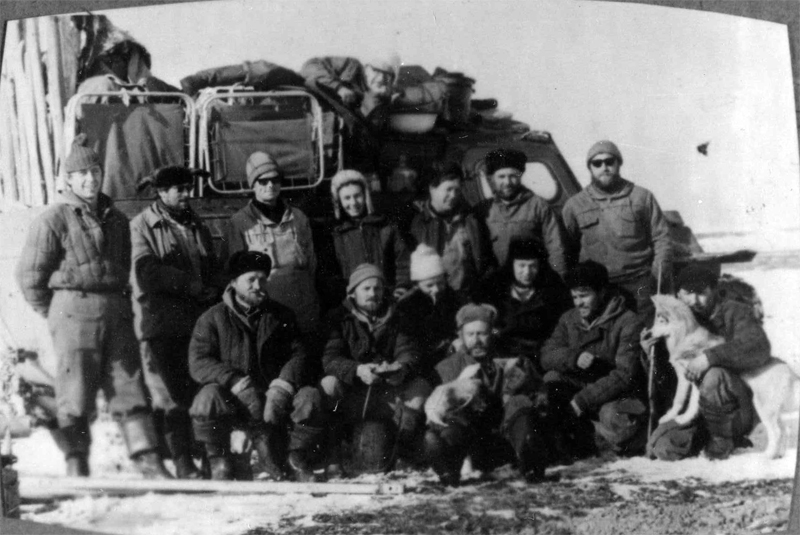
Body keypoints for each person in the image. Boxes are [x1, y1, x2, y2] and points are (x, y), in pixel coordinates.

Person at [15, 134, 171, 478]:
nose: (90, 179)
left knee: (128, 382)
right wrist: (58, 312)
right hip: (74, 311)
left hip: (115, 310)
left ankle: (147, 458)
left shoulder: (117, 220)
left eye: (95, 171)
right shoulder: (53, 220)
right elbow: (30, 277)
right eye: (82, 174)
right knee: (75, 388)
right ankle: (76, 460)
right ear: (69, 180)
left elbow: (122, 268)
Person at [187, 251, 325, 481]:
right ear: (233, 283)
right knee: (207, 398)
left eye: (262, 279)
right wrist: (232, 380)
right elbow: (199, 361)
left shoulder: (281, 315)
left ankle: (295, 458)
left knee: (310, 397)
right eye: (250, 279)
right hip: (234, 399)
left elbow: (299, 354)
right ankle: (219, 460)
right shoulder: (212, 318)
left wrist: (283, 385)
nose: (257, 285)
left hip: (273, 400)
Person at [130, 166, 223, 479]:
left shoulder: (196, 225)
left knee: (200, 388)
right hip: (164, 324)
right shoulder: (142, 226)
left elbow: (209, 266)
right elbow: (147, 273)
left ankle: (209, 456)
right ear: (161, 192)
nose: (186, 194)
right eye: (179, 189)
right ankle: (183, 460)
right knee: (173, 395)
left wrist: (213, 288)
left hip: (197, 322)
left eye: (188, 188)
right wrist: (192, 286)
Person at [644, 265, 771, 461]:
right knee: (664, 448)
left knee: (714, 375)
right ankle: (701, 438)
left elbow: (757, 346)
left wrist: (709, 357)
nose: (694, 300)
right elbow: (665, 379)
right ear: (678, 294)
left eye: (701, 293)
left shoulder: (735, 312)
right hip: (694, 411)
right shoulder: (675, 320)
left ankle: (724, 440)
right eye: (688, 293)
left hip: (732, 406)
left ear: (714, 290)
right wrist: (648, 353)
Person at [424, 304, 550, 486]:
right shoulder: (448, 367)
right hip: (472, 442)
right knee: (452, 414)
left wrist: (520, 384)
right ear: (461, 336)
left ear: (493, 333)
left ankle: (531, 464)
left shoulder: (513, 359)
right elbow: (437, 410)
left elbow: (540, 397)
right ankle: (448, 468)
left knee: (520, 402)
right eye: (470, 334)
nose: (477, 340)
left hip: (507, 440)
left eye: (482, 333)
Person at [320, 264, 430, 472]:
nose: (373, 293)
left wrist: (400, 368)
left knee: (420, 388)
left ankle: (404, 449)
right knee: (328, 384)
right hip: (352, 394)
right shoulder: (338, 318)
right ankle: (335, 452)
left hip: (387, 392)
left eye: (377, 288)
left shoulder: (398, 317)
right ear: (353, 292)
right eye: (366, 288)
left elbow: (409, 352)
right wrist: (357, 370)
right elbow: (331, 359)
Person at [540, 261, 647, 460]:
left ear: (602, 292)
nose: (578, 303)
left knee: (617, 419)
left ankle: (587, 433)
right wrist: (574, 357)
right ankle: (577, 433)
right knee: (551, 379)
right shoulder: (568, 319)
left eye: (584, 296)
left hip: (619, 394)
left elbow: (625, 375)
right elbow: (547, 354)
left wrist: (582, 401)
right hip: (580, 386)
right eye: (574, 297)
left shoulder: (628, 322)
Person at [561, 140, 672, 319]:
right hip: (598, 287)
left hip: (639, 282)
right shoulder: (575, 205)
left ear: (618, 163)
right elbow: (567, 248)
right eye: (597, 163)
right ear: (590, 168)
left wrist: (656, 277)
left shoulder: (641, 197)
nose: (604, 167)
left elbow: (661, 238)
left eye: (609, 161)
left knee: (643, 330)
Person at [223, 151, 320, 335]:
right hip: (267, 309)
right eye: (263, 181)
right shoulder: (240, 222)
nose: (270, 186)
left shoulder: (298, 217)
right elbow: (235, 273)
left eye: (275, 180)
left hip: (304, 306)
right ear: (253, 184)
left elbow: (312, 262)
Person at [474, 238, 572, 368]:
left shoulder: (552, 287)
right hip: (502, 353)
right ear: (512, 264)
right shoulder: (493, 286)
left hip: (539, 354)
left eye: (533, 266)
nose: (527, 272)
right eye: (521, 266)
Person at [407, 160, 495, 298]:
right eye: (448, 189)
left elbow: (484, 259)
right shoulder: (417, 223)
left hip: (467, 297)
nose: (454, 195)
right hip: (432, 297)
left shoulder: (471, 220)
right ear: (432, 188)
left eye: (457, 190)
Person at [321, 169, 410, 303]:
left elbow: (403, 259)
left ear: (365, 195)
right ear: (339, 201)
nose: (353, 203)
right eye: (347, 198)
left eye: (357, 196)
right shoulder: (335, 234)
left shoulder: (385, 226)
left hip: (387, 298)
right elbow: (330, 273)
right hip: (353, 303)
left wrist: (401, 287)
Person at [478, 148, 568, 279]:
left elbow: (556, 247)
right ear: (492, 179)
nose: (507, 182)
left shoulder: (538, 205)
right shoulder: (484, 209)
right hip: (499, 281)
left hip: (532, 277)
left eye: (513, 176)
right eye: (501, 177)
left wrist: (558, 279)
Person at [396, 244, 464, 373]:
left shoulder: (454, 298)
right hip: (424, 362)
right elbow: (409, 343)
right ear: (417, 284)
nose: (436, 289)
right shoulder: (407, 306)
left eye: (440, 283)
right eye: (429, 285)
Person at [300, 55, 399, 119]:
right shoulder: (350, 66)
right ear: (367, 68)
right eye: (377, 71)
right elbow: (309, 67)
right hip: (313, 115)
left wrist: (381, 99)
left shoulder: (377, 94)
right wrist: (338, 88)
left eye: (387, 77)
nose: (381, 78)